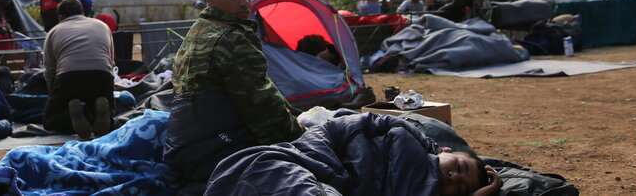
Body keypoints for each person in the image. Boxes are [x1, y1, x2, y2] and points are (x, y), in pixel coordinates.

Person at [164, 0, 304, 194]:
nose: (244, 2)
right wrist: (301, 142)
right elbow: (262, 109)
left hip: (182, 148)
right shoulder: (233, 39)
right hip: (216, 150)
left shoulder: (198, 29)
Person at [204, 112, 501, 196]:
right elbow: (332, 132)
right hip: (292, 170)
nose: (453, 177)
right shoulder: (401, 134)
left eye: (460, 187)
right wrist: (328, 172)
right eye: (459, 166)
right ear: (445, 150)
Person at [43, 0, 114, 140]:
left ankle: (72, 117)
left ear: (61, 17)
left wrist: (55, 95)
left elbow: (50, 71)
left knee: (49, 121)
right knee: (110, 112)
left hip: (68, 77)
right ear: (83, 12)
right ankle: (103, 118)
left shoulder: (54, 31)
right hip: (102, 76)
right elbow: (110, 61)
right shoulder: (102, 26)